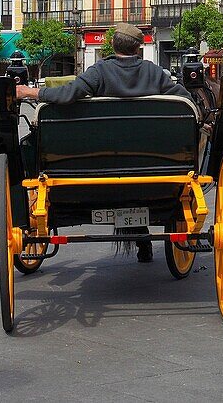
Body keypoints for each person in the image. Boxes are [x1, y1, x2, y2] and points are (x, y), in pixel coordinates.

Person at [16, 23, 192, 262]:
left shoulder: (99, 72)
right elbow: (184, 99)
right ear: (138, 47)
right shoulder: (153, 72)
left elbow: (67, 94)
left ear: (112, 44)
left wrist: (29, 92)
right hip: (154, 169)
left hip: (96, 167)